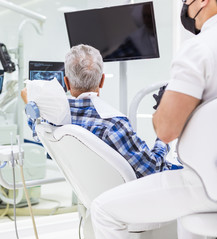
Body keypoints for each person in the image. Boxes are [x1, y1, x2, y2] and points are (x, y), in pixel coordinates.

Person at [90, 0, 217, 239]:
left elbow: (166, 131)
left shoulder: (199, 48)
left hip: (205, 186)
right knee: (188, 223)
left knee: (103, 210)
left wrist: (166, 105)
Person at [21, 44, 180, 179]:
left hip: (85, 191)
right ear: (102, 80)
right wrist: (164, 133)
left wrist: (32, 101)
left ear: (67, 83)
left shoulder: (49, 118)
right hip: (122, 200)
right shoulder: (114, 124)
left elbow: (33, 119)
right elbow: (153, 169)